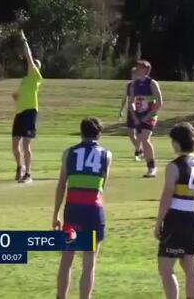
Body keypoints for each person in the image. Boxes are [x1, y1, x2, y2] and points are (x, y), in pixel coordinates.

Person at [52, 117, 111, 299]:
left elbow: (62, 185)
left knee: (67, 259)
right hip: (94, 210)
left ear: (81, 132)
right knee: (89, 263)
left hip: (73, 211)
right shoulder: (106, 155)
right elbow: (103, 185)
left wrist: (56, 214)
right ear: (99, 134)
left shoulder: (69, 153)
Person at [155, 122, 194, 299]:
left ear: (177, 143)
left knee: (166, 268)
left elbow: (167, 196)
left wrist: (159, 222)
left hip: (176, 220)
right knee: (190, 266)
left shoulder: (174, 166)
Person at [12, 30, 42, 183]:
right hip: (20, 112)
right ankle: (20, 167)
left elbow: (29, 57)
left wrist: (24, 40)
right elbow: (18, 96)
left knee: (26, 144)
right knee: (15, 143)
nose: (32, 64)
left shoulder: (35, 76)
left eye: (35, 64)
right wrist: (16, 97)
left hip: (30, 112)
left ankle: (28, 173)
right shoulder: (25, 80)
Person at [129, 59, 163, 177]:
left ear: (145, 70)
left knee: (145, 139)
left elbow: (159, 103)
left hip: (150, 115)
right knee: (142, 140)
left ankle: (152, 167)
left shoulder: (152, 83)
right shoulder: (134, 84)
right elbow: (131, 102)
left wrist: (148, 116)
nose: (137, 69)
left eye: (139, 67)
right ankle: (150, 166)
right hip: (138, 116)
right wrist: (135, 117)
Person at [118, 67, 143, 161]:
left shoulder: (142, 85)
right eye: (133, 74)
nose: (134, 76)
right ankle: (140, 149)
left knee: (140, 133)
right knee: (130, 133)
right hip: (131, 111)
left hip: (140, 111)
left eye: (136, 74)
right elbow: (125, 98)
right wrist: (121, 110)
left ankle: (137, 153)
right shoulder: (129, 85)